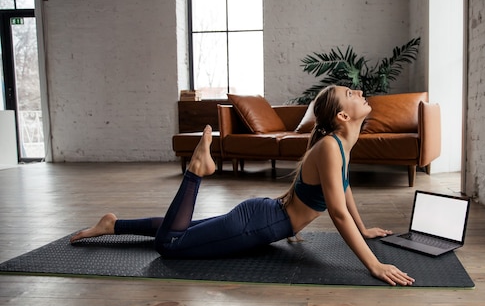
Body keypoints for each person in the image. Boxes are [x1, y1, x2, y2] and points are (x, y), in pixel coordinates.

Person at [70, 85, 415, 286]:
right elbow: (337, 212)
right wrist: (373, 265)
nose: (358, 92)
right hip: (258, 224)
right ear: (342, 116)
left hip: (260, 215)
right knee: (171, 245)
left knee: (183, 230)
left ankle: (112, 225)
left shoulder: (340, 145)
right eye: (349, 93)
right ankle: (196, 171)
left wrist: (365, 227)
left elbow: (344, 190)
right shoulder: (329, 146)